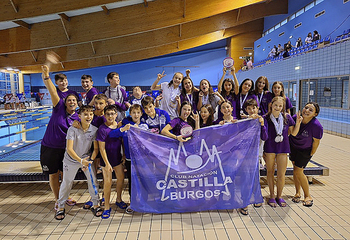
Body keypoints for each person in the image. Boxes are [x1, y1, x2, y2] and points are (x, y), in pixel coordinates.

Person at [40, 65, 80, 210]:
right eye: (68, 100)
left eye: (73, 100)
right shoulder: (58, 109)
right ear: (64, 102)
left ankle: (65, 196)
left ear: (77, 102)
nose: (71, 102)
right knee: (53, 174)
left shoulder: (77, 117)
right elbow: (52, 90)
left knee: (66, 175)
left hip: (65, 149)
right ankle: (58, 199)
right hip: (50, 146)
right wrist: (46, 76)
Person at [55, 105, 101, 220]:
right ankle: (60, 206)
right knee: (67, 182)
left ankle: (96, 204)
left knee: (93, 181)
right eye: (85, 114)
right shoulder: (73, 129)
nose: (88, 116)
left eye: (91, 114)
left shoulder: (94, 130)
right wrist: (81, 161)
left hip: (86, 159)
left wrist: (89, 161)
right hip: (71, 160)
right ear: (79, 116)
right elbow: (69, 149)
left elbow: (95, 149)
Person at [109, 104, 149, 214]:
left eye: (138, 112)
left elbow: (148, 141)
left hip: (142, 159)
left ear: (141, 114)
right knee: (132, 182)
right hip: (129, 159)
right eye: (133, 112)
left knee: (143, 180)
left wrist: (137, 130)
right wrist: (122, 128)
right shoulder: (126, 124)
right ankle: (133, 203)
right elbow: (111, 135)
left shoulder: (145, 126)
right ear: (130, 113)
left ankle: (144, 202)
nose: (136, 115)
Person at [264, 96, 301, 207]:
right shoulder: (266, 117)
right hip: (270, 148)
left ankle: (279, 196)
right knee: (270, 172)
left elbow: (293, 133)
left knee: (281, 174)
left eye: (280, 106)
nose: (278, 108)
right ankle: (271, 196)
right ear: (271, 105)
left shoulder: (287, 117)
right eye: (276, 105)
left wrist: (298, 123)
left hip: (283, 148)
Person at [289, 102, 323, 207]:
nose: (306, 110)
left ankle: (308, 196)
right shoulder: (296, 118)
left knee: (299, 171)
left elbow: (316, 142)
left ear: (315, 114)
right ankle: (297, 192)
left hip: (305, 150)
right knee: (295, 170)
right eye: (306, 107)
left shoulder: (316, 126)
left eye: (310, 110)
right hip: (293, 146)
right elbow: (291, 132)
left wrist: (310, 154)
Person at [96, 105, 126, 219]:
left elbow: (122, 140)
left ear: (116, 115)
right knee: (107, 183)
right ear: (104, 115)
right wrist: (107, 163)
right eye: (107, 114)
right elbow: (101, 148)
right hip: (106, 160)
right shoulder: (102, 129)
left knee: (121, 178)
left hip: (117, 158)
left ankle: (118, 199)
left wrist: (123, 155)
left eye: (112, 114)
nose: (110, 116)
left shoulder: (119, 126)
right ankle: (107, 207)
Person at [239, 99, 268, 215]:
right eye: (249, 108)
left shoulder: (261, 121)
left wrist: (262, 125)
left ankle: (256, 198)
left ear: (257, 108)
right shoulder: (243, 121)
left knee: (256, 178)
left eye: (254, 108)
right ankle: (244, 202)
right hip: (245, 155)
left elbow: (265, 137)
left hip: (256, 155)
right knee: (245, 178)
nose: (252, 110)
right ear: (246, 110)